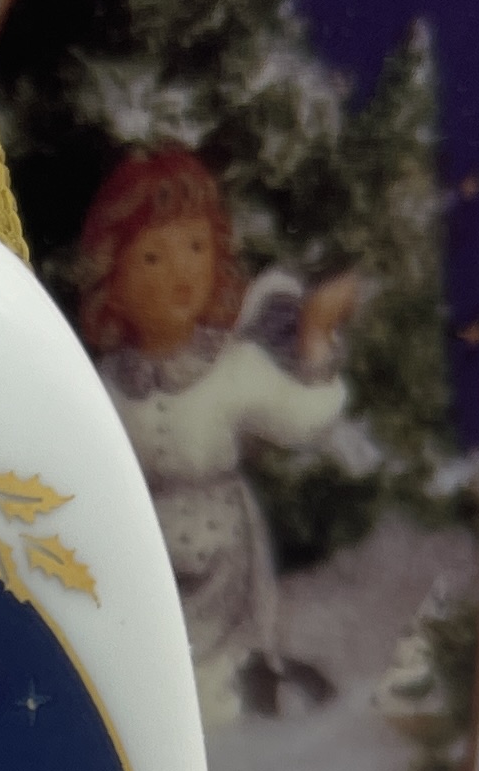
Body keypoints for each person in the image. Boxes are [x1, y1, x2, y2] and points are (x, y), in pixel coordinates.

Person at [74, 147, 360, 717]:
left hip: (224, 570)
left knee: (214, 685)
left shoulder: (234, 369)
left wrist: (315, 336)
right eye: (152, 257)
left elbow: (304, 418)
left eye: (196, 248)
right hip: (141, 561)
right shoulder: (103, 383)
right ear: (114, 279)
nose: (182, 272)